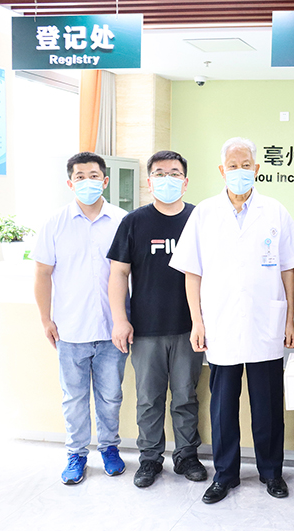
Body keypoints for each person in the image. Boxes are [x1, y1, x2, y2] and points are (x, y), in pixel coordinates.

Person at [170, 137, 294, 504]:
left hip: (266, 323)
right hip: (221, 323)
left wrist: (290, 319)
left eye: (246, 165)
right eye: (232, 165)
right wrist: (197, 321)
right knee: (223, 406)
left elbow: (288, 270)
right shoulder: (205, 213)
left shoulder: (275, 211)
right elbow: (191, 272)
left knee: (267, 405)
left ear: (256, 169)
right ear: (221, 170)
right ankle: (225, 475)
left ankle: (271, 472)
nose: (239, 171)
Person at [107, 150, 207, 489]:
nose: (168, 179)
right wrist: (120, 319)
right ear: (149, 182)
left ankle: (186, 455)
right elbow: (118, 273)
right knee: (149, 399)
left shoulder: (198, 218)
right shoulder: (134, 222)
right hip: (146, 329)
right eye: (160, 173)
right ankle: (150, 458)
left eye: (174, 173)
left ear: (185, 181)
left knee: (186, 396)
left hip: (189, 328)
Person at [33, 152, 128, 484]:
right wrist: (45, 319)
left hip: (112, 330)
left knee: (111, 397)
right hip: (70, 330)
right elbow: (42, 274)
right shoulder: (54, 223)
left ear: (105, 181)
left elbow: (130, 274)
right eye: (80, 176)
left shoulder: (122, 221)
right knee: (74, 399)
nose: (88, 182)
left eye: (94, 176)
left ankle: (110, 449)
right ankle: (76, 454)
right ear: (70, 182)